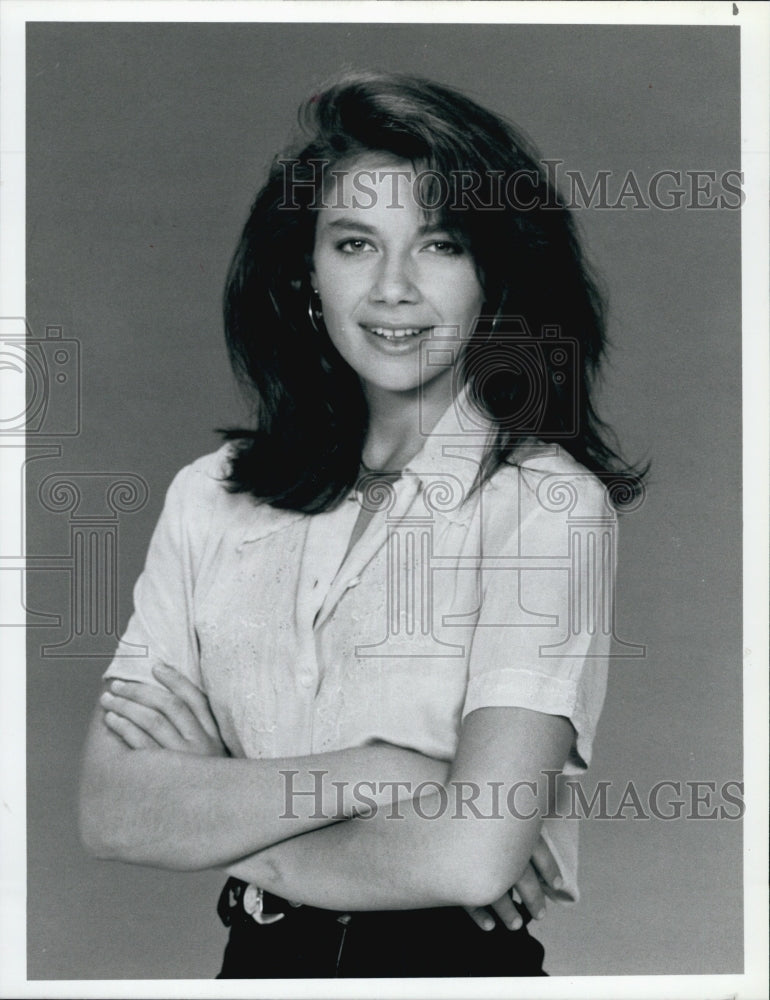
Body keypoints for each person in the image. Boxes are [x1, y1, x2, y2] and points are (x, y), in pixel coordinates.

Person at [79, 72, 643, 979]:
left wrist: (215, 821)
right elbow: (112, 812)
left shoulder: (544, 506)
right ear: (306, 270)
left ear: (494, 273)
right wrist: (380, 772)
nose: (393, 289)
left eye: (440, 245)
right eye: (354, 243)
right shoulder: (209, 496)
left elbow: (471, 859)